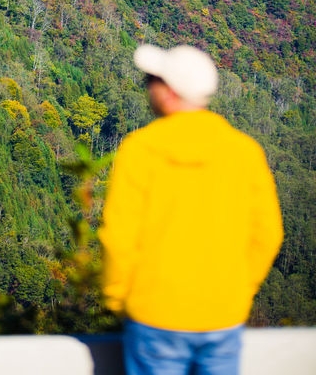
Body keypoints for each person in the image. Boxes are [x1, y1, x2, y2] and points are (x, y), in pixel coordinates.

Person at [98, 43, 283, 375]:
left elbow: (119, 236)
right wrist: (238, 289)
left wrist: (117, 298)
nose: (147, 88)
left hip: (155, 314)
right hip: (223, 315)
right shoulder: (244, 152)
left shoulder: (139, 151)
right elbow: (267, 234)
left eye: (150, 81)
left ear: (169, 92)